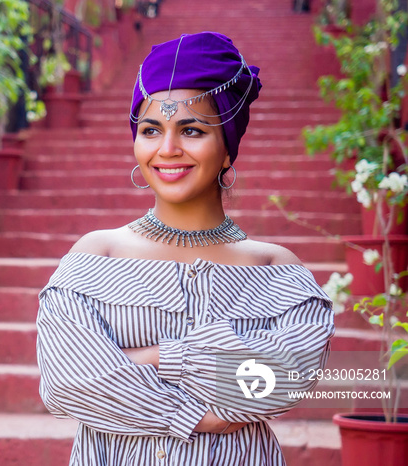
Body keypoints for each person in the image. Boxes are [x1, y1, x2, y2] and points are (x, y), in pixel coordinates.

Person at [36, 32, 336, 465]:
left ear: (227, 150)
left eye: (192, 130)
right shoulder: (95, 257)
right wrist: (197, 415)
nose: (167, 149)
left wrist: (155, 358)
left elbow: (282, 380)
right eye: (151, 130)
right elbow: (70, 383)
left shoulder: (276, 271)